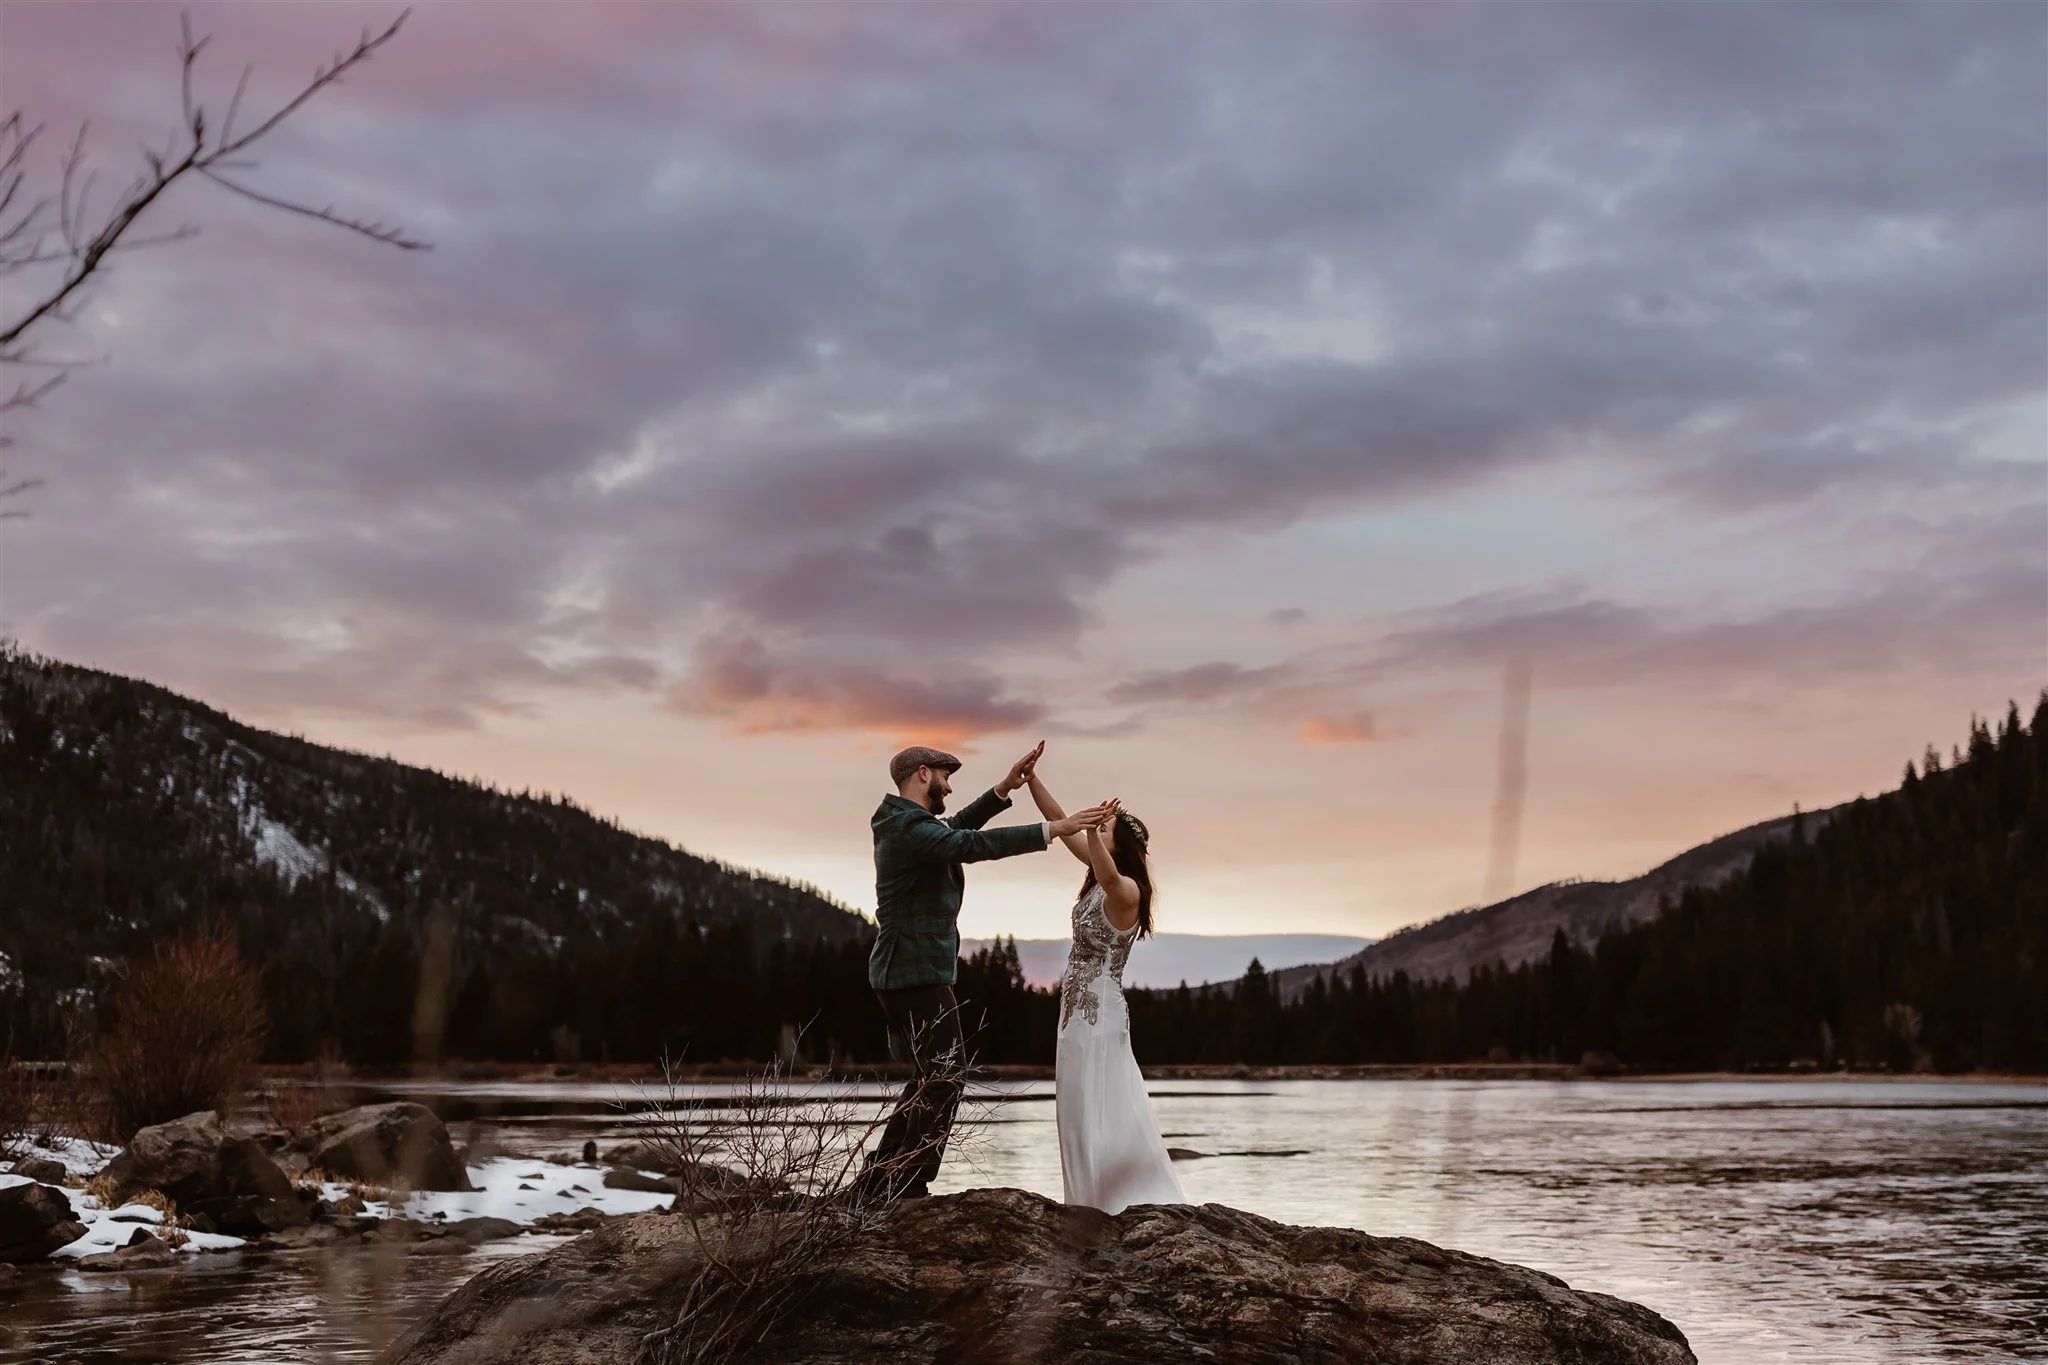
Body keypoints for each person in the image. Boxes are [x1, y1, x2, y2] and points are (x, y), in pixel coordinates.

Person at [856, 742, 1113, 1201]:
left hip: (912, 971)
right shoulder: (904, 827)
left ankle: (884, 1178)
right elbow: (966, 844)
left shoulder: (907, 824)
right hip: (911, 972)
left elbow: (955, 829)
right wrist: (1053, 828)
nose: (949, 786)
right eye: (943, 777)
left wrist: (1002, 790)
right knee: (946, 1076)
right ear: (921, 775)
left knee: (928, 1078)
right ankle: (904, 1181)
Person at [1026, 770, 1186, 1215]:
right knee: (1076, 1106)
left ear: (1121, 847)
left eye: (1107, 829)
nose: (1098, 831)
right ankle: (1083, 1202)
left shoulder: (1127, 891)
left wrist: (1096, 834)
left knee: (1103, 1103)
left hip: (1100, 1015)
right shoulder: (1098, 877)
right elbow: (1060, 822)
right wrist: (1032, 779)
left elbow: (1110, 875)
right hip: (1074, 1012)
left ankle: (1110, 1202)